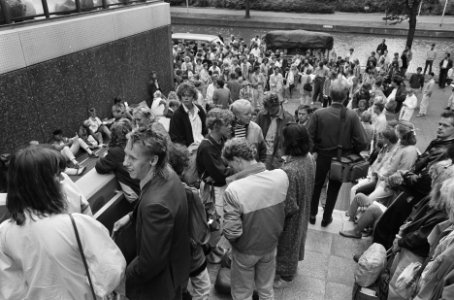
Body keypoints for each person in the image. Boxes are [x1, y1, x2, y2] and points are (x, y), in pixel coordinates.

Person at [0, 145, 125, 299]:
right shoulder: (76, 224)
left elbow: (9, 288)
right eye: (58, 175)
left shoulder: (3, 233)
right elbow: (112, 270)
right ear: (41, 185)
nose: (63, 180)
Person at [119, 127, 190, 300]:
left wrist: (126, 275)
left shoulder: (154, 206)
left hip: (160, 287)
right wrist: (130, 216)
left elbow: (150, 263)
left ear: (153, 160)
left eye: (132, 158)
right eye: (126, 154)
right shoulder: (168, 174)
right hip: (177, 270)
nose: (124, 162)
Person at [373, 110, 454, 249]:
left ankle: (377, 258)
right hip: (413, 190)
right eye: (440, 123)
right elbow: (420, 165)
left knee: (389, 224)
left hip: (418, 194)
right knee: (389, 223)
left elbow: (425, 181)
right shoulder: (439, 142)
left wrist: (404, 175)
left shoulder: (446, 150)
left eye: (445, 125)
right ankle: (378, 255)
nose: (440, 127)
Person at [222, 138, 289, 300]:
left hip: (246, 250)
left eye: (230, 165)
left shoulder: (234, 189)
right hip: (271, 246)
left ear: (237, 160)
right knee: (266, 291)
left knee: (242, 294)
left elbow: (232, 232)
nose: (230, 169)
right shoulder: (281, 176)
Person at [307, 77, 368, 227]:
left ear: (330, 94)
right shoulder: (352, 115)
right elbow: (363, 142)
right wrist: (352, 151)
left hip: (321, 155)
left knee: (316, 185)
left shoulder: (318, 114)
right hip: (342, 158)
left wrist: (314, 150)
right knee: (334, 188)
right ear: (346, 96)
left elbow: (308, 137)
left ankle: (312, 214)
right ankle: (327, 218)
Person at [274, 124, 315, 288]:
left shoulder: (289, 170)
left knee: (288, 242)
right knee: (299, 237)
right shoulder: (309, 157)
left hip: (293, 215)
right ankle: (291, 268)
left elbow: (288, 206)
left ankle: (286, 275)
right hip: (305, 204)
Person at [95, 118, 140, 203]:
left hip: (136, 193)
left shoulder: (115, 152)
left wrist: (103, 156)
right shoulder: (137, 142)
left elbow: (100, 167)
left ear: (114, 136)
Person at [256, 93, 294, 170]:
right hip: (263, 153)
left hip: (278, 156)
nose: (269, 112)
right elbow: (256, 132)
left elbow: (291, 139)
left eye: (272, 109)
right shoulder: (261, 114)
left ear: (278, 105)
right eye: (267, 109)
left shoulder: (288, 118)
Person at [169, 83, 207, 148]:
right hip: (189, 150)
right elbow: (176, 139)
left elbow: (206, 129)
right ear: (180, 97)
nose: (186, 98)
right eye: (183, 95)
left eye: (189, 95)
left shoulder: (199, 110)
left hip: (203, 147)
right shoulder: (177, 115)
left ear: (193, 96)